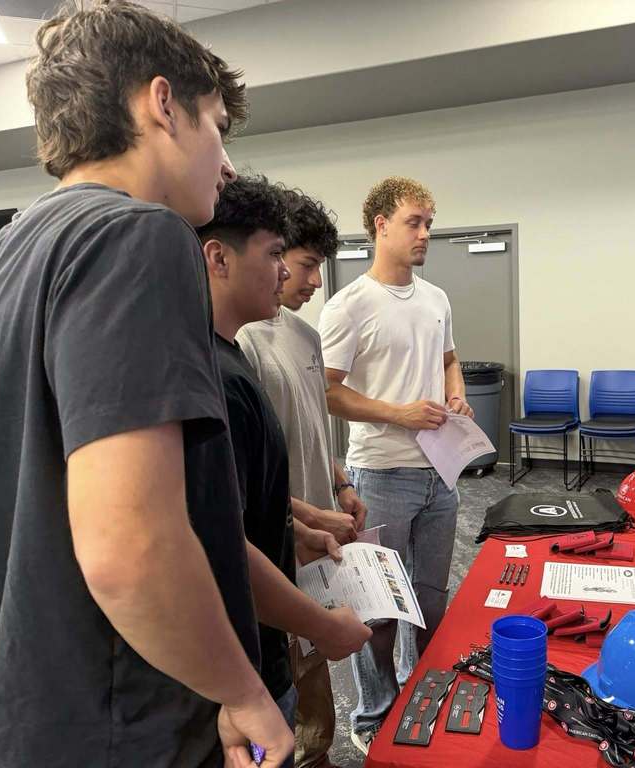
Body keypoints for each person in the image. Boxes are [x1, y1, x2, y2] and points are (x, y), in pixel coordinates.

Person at [0, 3, 282, 766]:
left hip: (29, 706)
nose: (227, 165)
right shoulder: (139, 235)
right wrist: (243, 693)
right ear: (162, 103)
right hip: (126, 724)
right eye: (217, 129)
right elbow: (128, 549)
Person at [197, 176, 372, 768]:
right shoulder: (228, 352)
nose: (306, 279)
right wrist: (301, 516)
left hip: (299, 543)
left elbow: (303, 433)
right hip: (264, 566)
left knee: (308, 693)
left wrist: (335, 491)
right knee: (275, 702)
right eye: (287, 259)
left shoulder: (302, 335)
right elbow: (223, 513)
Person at [319, 176, 473, 752]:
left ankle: (423, 693)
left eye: (429, 222)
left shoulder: (436, 299)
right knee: (377, 612)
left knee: (431, 600)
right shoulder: (349, 305)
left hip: (440, 474)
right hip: (379, 475)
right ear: (380, 224)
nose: (425, 233)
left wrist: (455, 392)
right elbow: (327, 391)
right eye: (415, 222)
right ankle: (372, 715)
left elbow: (451, 358)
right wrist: (398, 414)